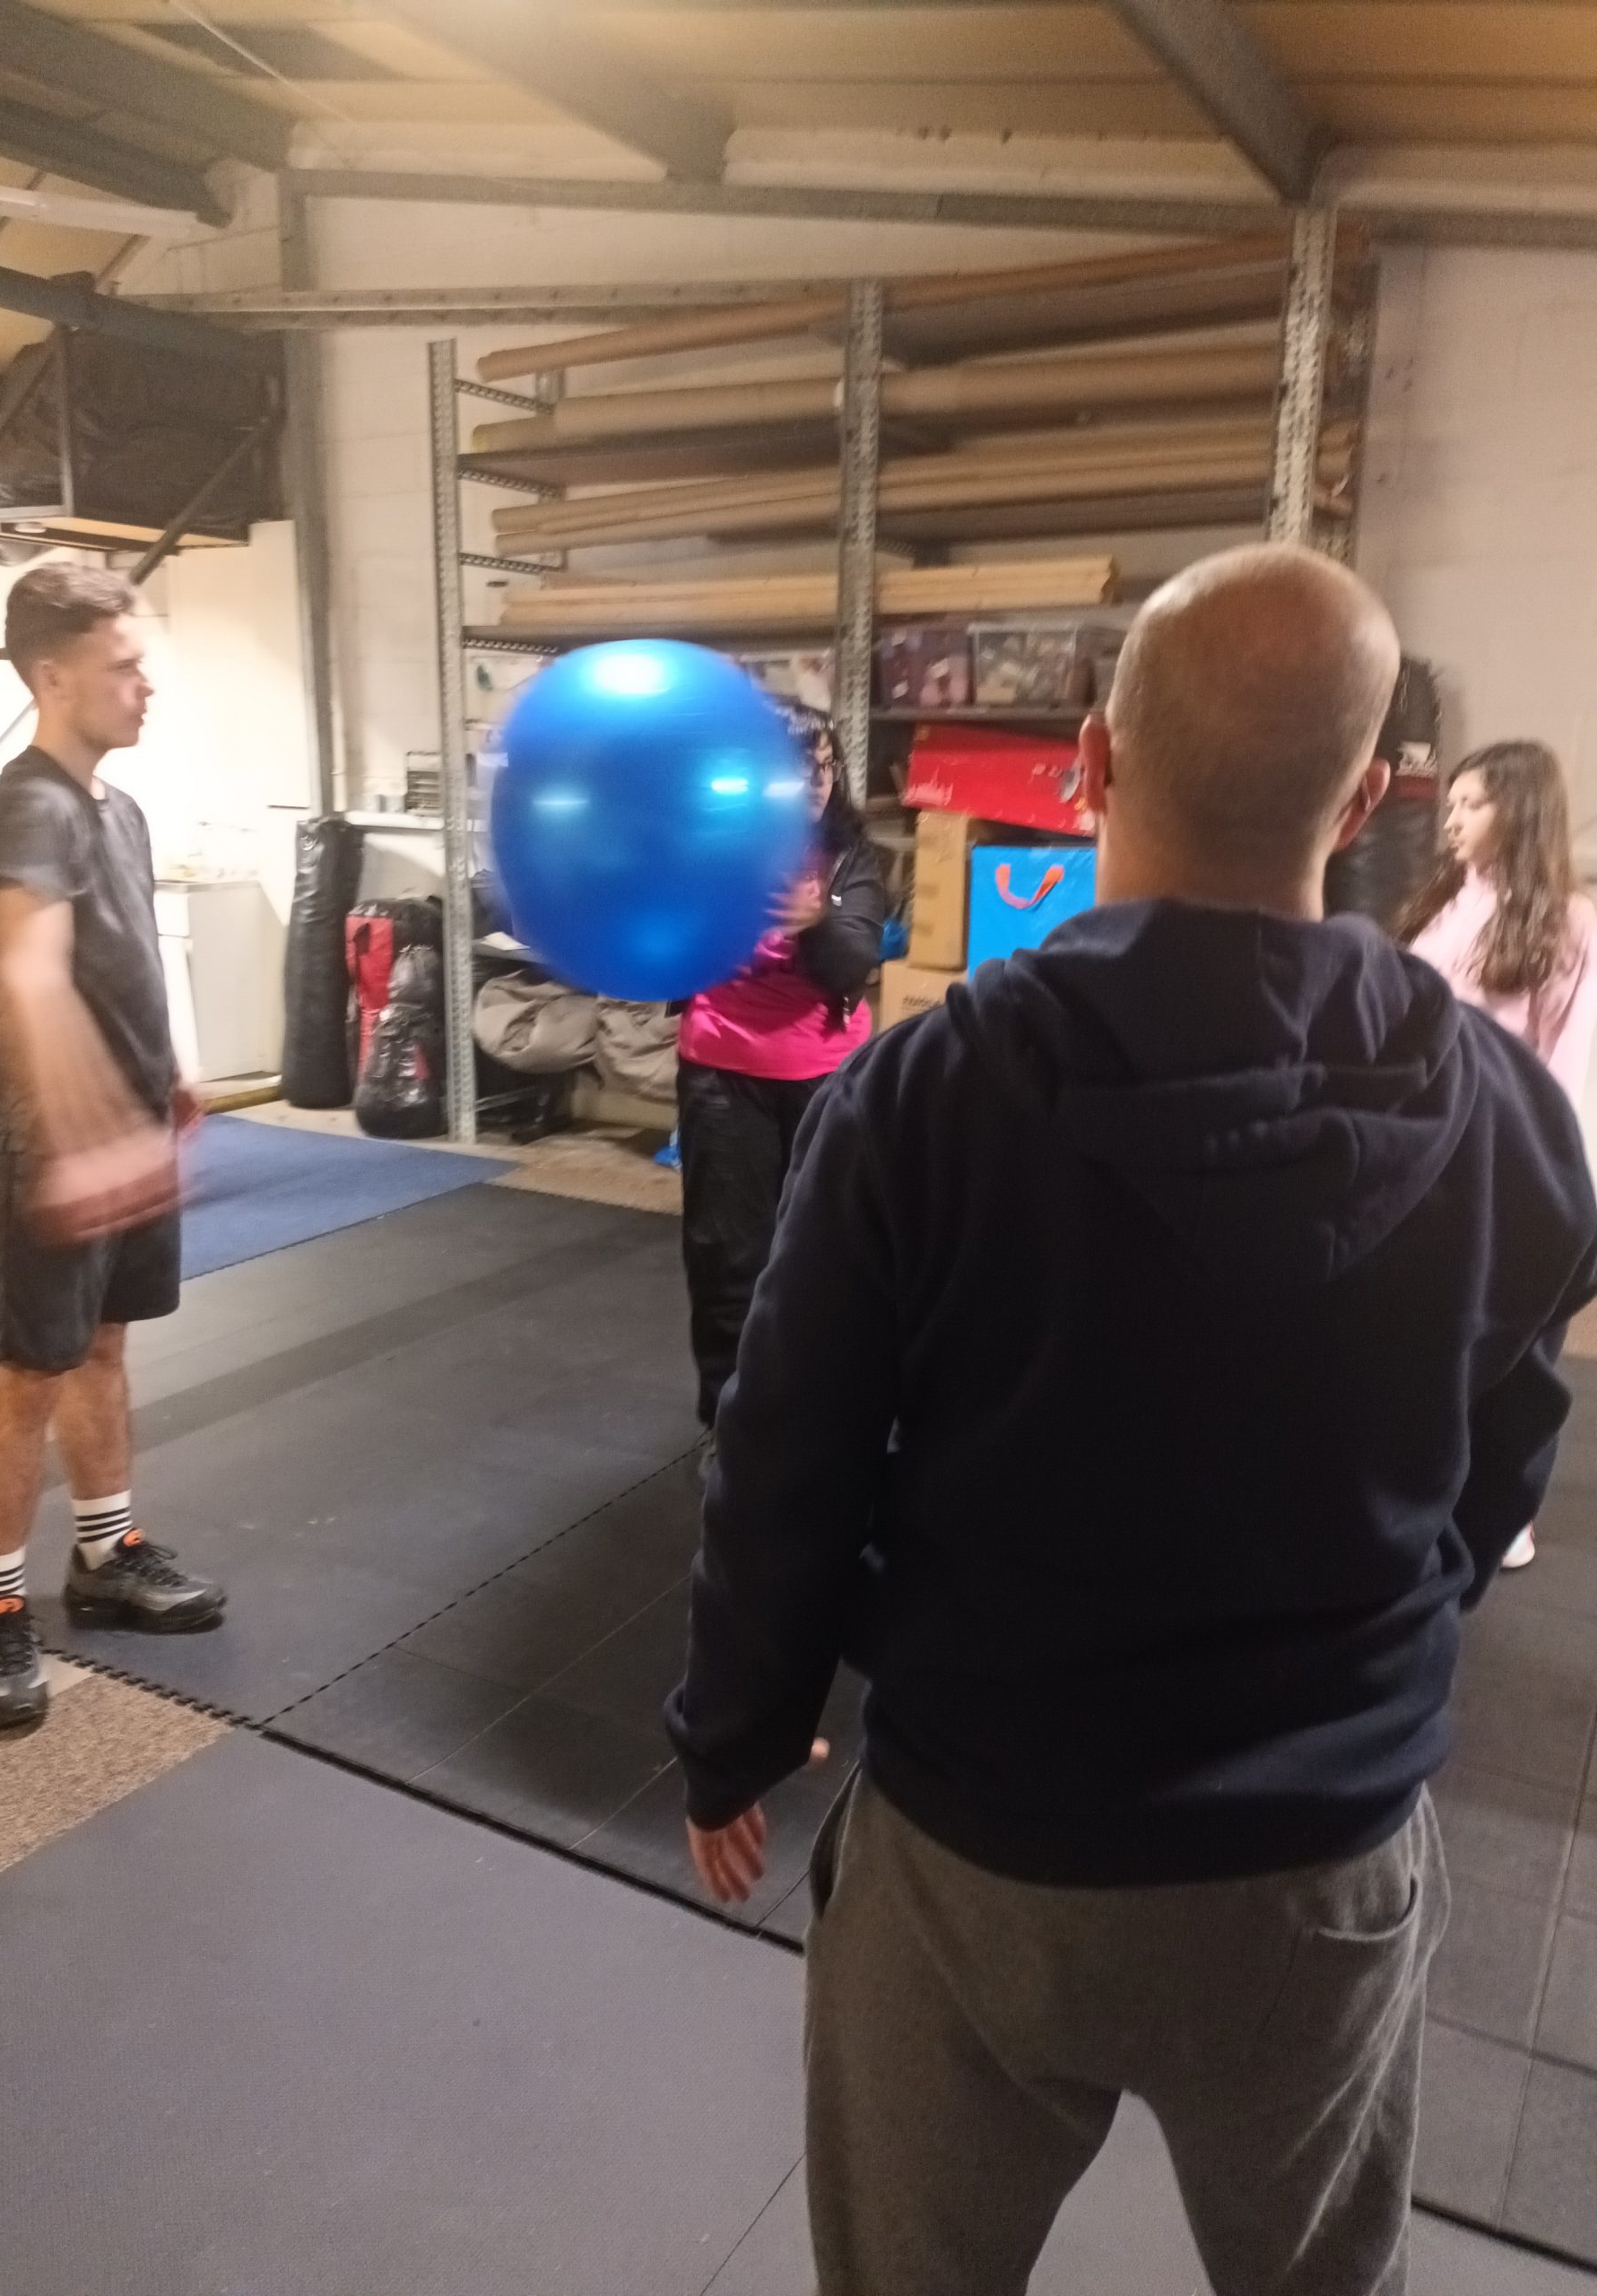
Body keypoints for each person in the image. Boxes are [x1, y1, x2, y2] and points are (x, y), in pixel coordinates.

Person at [665, 544, 1597, 2296]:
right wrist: (1383, 1631)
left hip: (985, 1842)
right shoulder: (1498, 1106)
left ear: (1088, 763)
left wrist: (737, 1731)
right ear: (1369, 798)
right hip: (1320, 1855)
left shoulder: (924, 1091)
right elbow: (1509, 1435)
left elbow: (784, 1455)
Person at [0, 564, 225, 1735]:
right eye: (121, 667)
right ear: (51, 676)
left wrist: (165, 1073)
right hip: (48, 1137)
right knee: (31, 1373)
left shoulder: (118, 809)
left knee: (105, 1347)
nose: (144, 684)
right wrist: (81, 1138)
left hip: (124, 1123)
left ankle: (107, 1552)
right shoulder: (29, 807)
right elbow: (29, 979)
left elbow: (122, 958)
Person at [1401, 741, 1597, 1569]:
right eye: (1450, 805)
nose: (1452, 820)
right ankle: (1429, 1493)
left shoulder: (1572, 922)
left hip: (1513, 1163)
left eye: (1471, 804)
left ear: (1517, 811)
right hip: (1427, 1156)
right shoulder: (1443, 907)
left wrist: (1555, 1182)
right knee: (1438, 1339)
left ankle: (1505, 1512)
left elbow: (1570, 1060)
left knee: (1517, 1349)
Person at [674, 707, 885, 1438]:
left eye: (825, 766)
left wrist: (815, 923)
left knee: (829, 1251)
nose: (815, 782)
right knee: (728, 1258)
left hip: (826, 1078)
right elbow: (666, 933)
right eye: (797, 768)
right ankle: (730, 1427)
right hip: (723, 1071)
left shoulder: (850, 857)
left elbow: (855, 959)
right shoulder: (713, 850)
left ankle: (822, 1420)